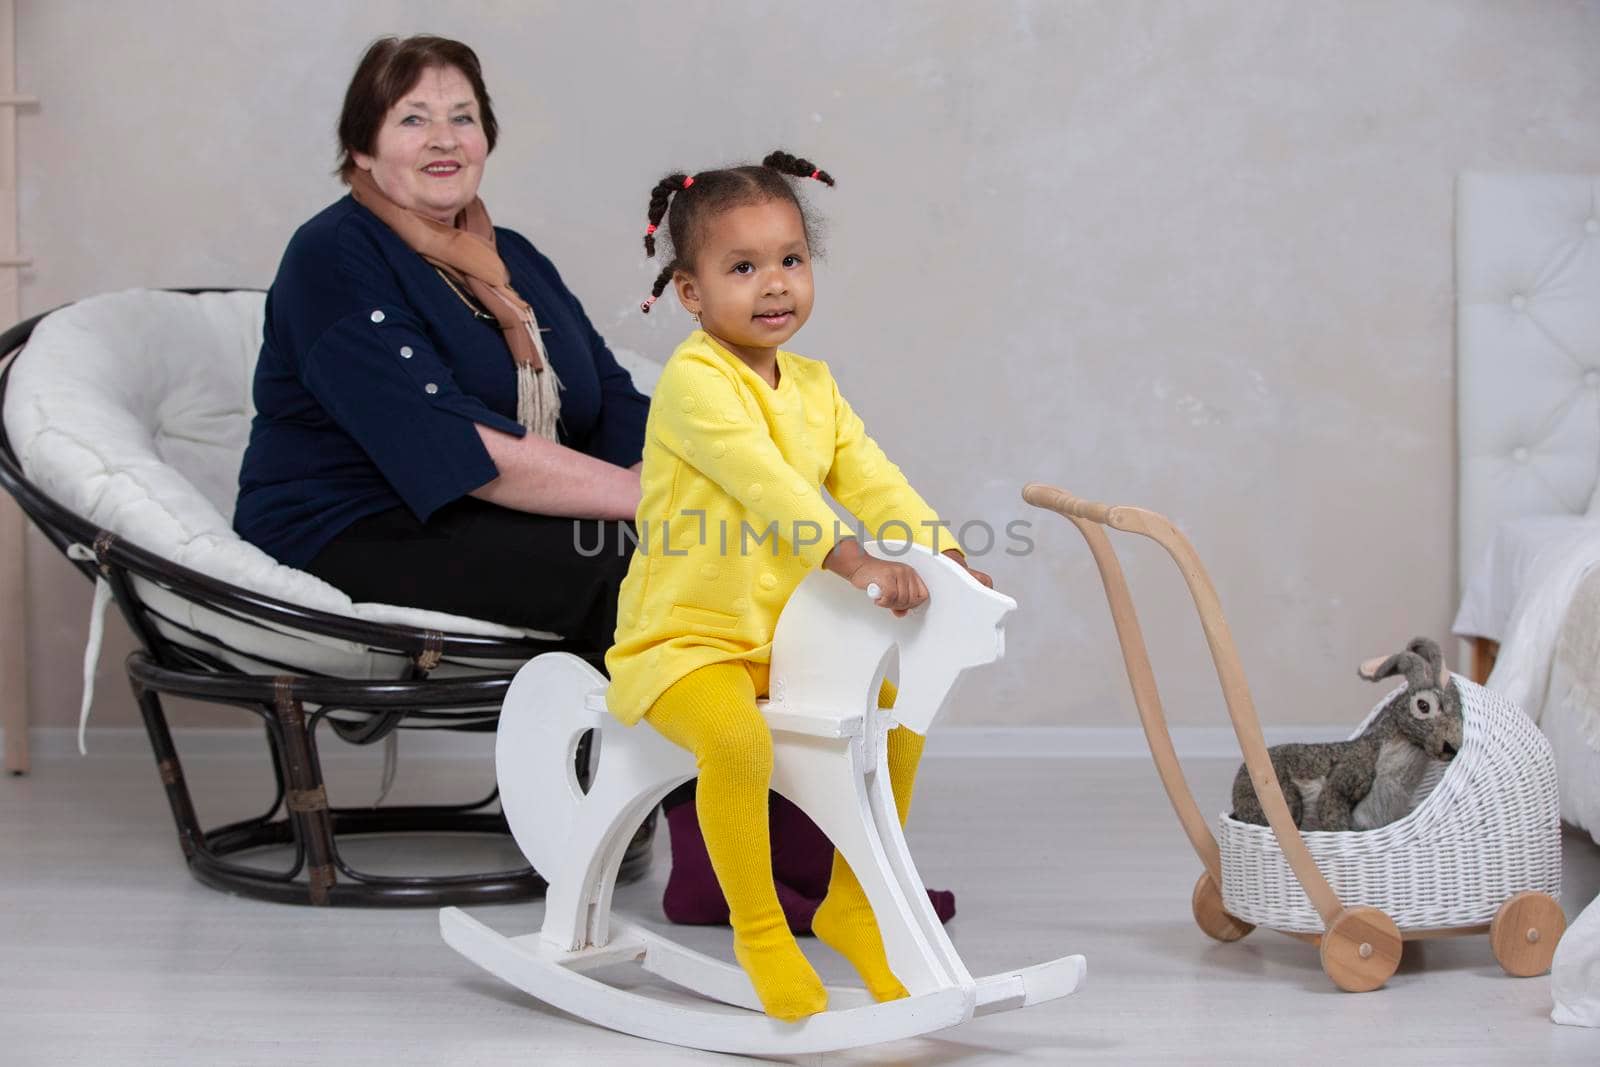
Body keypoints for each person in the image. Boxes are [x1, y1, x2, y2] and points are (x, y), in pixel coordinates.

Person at [605, 151, 994, 1021]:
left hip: (780, 642)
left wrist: (942, 556)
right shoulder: (695, 382)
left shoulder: (815, 387)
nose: (774, 285)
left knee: (893, 705)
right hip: (684, 642)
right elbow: (767, 486)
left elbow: (873, 478)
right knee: (738, 744)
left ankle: (855, 902)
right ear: (691, 294)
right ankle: (761, 931)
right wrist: (853, 560)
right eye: (742, 268)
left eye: (790, 260)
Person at [235, 35, 644, 647]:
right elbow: (440, 435)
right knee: (627, 574)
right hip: (348, 526)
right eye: (412, 119)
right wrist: (640, 498)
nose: (444, 139)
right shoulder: (334, 254)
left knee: (714, 551)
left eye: (463, 118)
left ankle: (750, 734)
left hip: (477, 517)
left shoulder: (512, 259)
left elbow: (607, 394)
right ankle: (642, 742)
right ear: (361, 147)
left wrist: (660, 485)